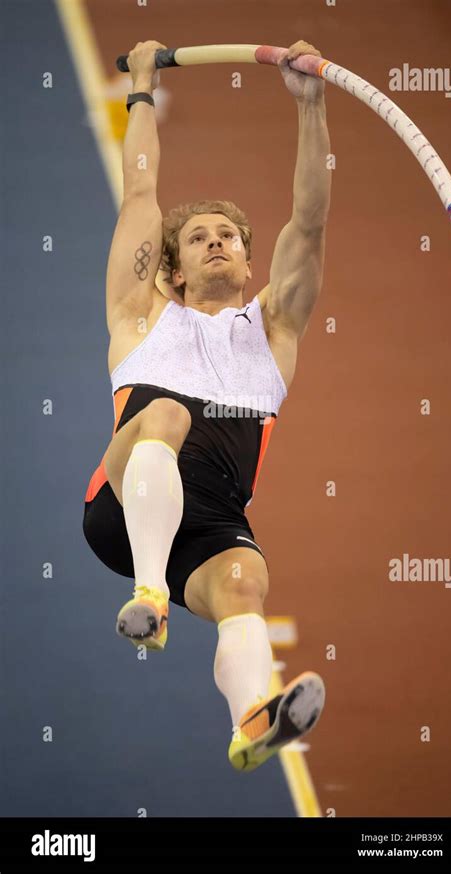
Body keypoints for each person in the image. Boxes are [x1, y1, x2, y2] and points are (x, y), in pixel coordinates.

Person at [83, 39, 331, 773]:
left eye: (229, 236)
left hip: (212, 519)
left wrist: (311, 107)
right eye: (198, 237)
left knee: (246, 582)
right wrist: (139, 87)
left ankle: (253, 721)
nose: (216, 242)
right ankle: (150, 597)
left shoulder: (274, 329)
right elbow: (140, 194)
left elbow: (310, 223)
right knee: (165, 415)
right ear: (174, 267)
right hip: (121, 510)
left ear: (251, 262)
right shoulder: (142, 317)